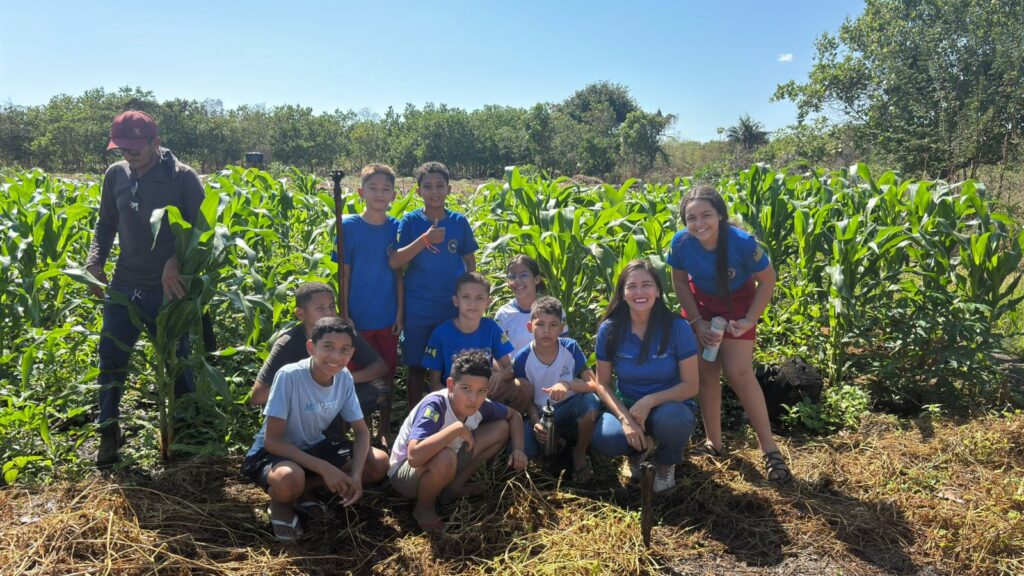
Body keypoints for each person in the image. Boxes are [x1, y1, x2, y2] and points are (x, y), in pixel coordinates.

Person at [85, 110, 205, 467]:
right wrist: (95, 261)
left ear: (155, 142)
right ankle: (109, 431)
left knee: (178, 363)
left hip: (168, 292)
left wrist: (176, 261)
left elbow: (202, 234)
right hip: (124, 287)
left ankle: (182, 434)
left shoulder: (182, 178)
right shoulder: (116, 175)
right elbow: (105, 223)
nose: (129, 155)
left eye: (136, 147)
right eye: (122, 148)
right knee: (110, 359)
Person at [667, 185, 792, 483]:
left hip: (738, 307)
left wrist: (749, 320)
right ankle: (715, 444)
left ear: (721, 215)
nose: (699, 224)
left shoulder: (743, 243)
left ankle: (770, 451)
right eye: (691, 217)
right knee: (706, 374)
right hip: (701, 310)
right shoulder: (682, 242)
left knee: (739, 374)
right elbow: (681, 284)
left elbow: (768, 280)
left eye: (706, 215)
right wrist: (697, 322)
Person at [241, 317, 390, 543]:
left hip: (314, 446)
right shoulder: (289, 376)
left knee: (378, 463)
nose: (336, 356)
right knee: (289, 477)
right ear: (311, 347)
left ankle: (302, 490)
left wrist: (356, 476)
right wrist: (325, 467)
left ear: (352, 353)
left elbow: (361, 431)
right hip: (273, 453)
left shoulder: (344, 378)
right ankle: (281, 502)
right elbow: (273, 441)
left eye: (345, 350)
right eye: (328, 346)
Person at [590, 260, 700, 494]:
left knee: (674, 421)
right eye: (632, 286)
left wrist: (649, 401)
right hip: (627, 404)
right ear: (622, 293)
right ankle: (636, 454)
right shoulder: (609, 329)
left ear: (658, 291)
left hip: (669, 406)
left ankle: (665, 462)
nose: (639, 292)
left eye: (647, 285)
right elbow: (603, 384)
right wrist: (625, 420)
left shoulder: (677, 327)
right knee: (606, 437)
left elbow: (691, 385)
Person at [389, 350, 527, 532]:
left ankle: (453, 488)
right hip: (407, 475)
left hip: (448, 460)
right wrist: (455, 429)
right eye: (466, 389)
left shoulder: (481, 405)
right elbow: (414, 457)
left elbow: (514, 416)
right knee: (445, 456)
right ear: (451, 385)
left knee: (501, 428)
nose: (473, 399)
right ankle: (424, 508)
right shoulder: (436, 406)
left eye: (481, 391)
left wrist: (518, 449)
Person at [250, 282, 391, 445]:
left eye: (332, 307)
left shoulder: (343, 333)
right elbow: (258, 396)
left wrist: (340, 380)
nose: (329, 313)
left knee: (377, 389)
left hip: (329, 401)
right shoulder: (287, 343)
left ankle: (334, 437)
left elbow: (380, 367)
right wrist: (308, 385)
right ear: (300, 314)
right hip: (297, 409)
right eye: (320, 308)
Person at [389, 161, 478, 407]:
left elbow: (470, 263)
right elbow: (396, 261)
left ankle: (449, 413)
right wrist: (424, 239)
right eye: (427, 186)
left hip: (450, 307)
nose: (434, 191)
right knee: (416, 366)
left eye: (440, 186)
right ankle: (414, 414)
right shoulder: (410, 222)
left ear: (449, 189)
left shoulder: (459, 222)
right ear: (418, 192)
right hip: (418, 307)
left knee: (451, 365)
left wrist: (468, 300)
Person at [338, 163, 402, 441]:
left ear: (393, 195)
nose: (379, 194)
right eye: (373, 188)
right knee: (358, 377)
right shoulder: (348, 226)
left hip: (387, 317)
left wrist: (400, 313)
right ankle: (361, 430)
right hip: (358, 318)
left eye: (385, 189)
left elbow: (399, 273)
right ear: (361, 192)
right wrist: (344, 312)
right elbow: (344, 272)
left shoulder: (397, 228)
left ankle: (384, 430)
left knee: (386, 374)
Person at [515, 296, 601, 484]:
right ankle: (558, 447)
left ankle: (579, 453)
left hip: (571, 407)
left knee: (591, 404)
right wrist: (536, 421)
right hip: (542, 414)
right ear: (530, 327)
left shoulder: (570, 348)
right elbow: (526, 399)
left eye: (553, 325)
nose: (546, 331)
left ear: (561, 328)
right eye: (540, 324)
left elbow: (595, 384)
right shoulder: (522, 359)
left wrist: (568, 385)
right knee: (526, 450)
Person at [422, 272, 531, 413]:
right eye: (466, 297)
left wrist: (501, 376)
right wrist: (453, 401)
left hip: (487, 393)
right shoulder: (441, 333)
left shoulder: (491, 328)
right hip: (456, 398)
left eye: (479, 298)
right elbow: (434, 382)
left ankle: (502, 421)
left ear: (487, 303)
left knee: (523, 387)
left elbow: (509, 368)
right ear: (456, 301)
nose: (472, 303)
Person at [494, 254, 568, 354]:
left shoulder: (555, 308)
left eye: (523, 275)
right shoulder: (502, 314)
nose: (517, 281)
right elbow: (497, 353)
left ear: (537, 279)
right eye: (512, 276)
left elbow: (565, 347)